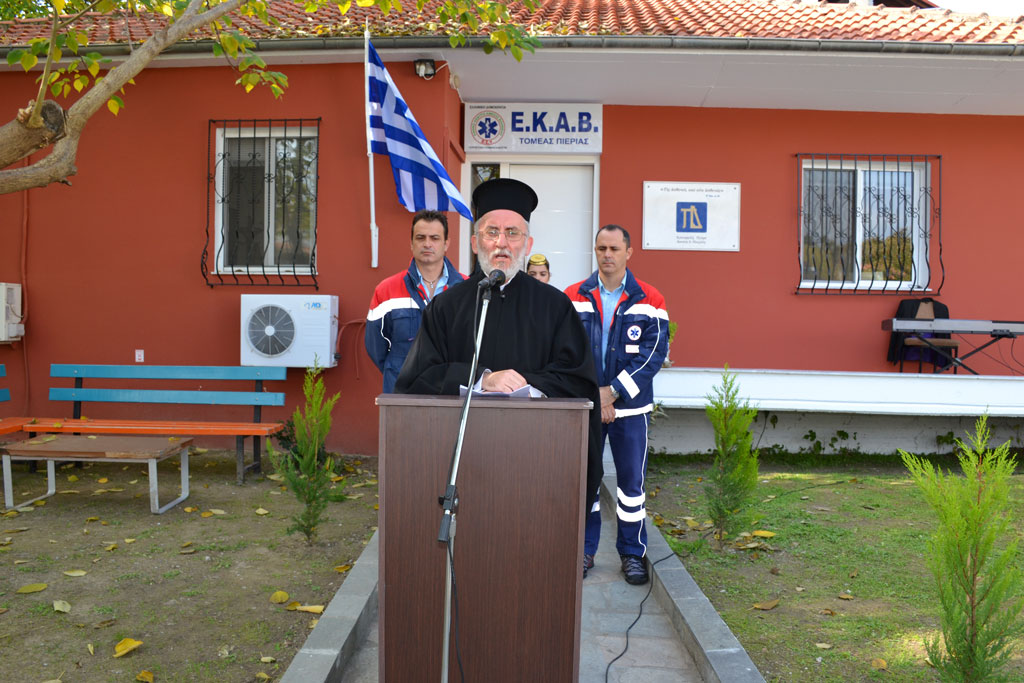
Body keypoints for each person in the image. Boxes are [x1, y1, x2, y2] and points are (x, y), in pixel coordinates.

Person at [395, 178, 604, 523]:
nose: (501, 243)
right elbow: (417, 379)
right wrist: (483, 379)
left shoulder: (555, 307)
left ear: (528, 243)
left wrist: (527, 385)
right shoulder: (446, 307)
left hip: (538, 463)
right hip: (463, 463)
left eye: (512, 233)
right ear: (475, 242)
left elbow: (579, 381)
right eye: (491, 232)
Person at [565, 224, 669, 585]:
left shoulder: (650, 299)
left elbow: (653, 354)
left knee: (631, 488)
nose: (607, 255)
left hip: (631, 410)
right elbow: (566, 350)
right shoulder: (573, 296)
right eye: (601, 248)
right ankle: (583, 551)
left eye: (614, 248)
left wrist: (613, 392)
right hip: (587, 408)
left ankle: (632, 555)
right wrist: (596, 393)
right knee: (585, 484)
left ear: (629, 252)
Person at [365, 209, 465, 393]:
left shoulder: (466, 289)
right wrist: (397, 370)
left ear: (446, 244)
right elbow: (375, 346)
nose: (427, 244)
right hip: (402, 392)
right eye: (420, 238)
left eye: (434, 238)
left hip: (451, 392)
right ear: (411, 243)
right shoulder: (386, 290)